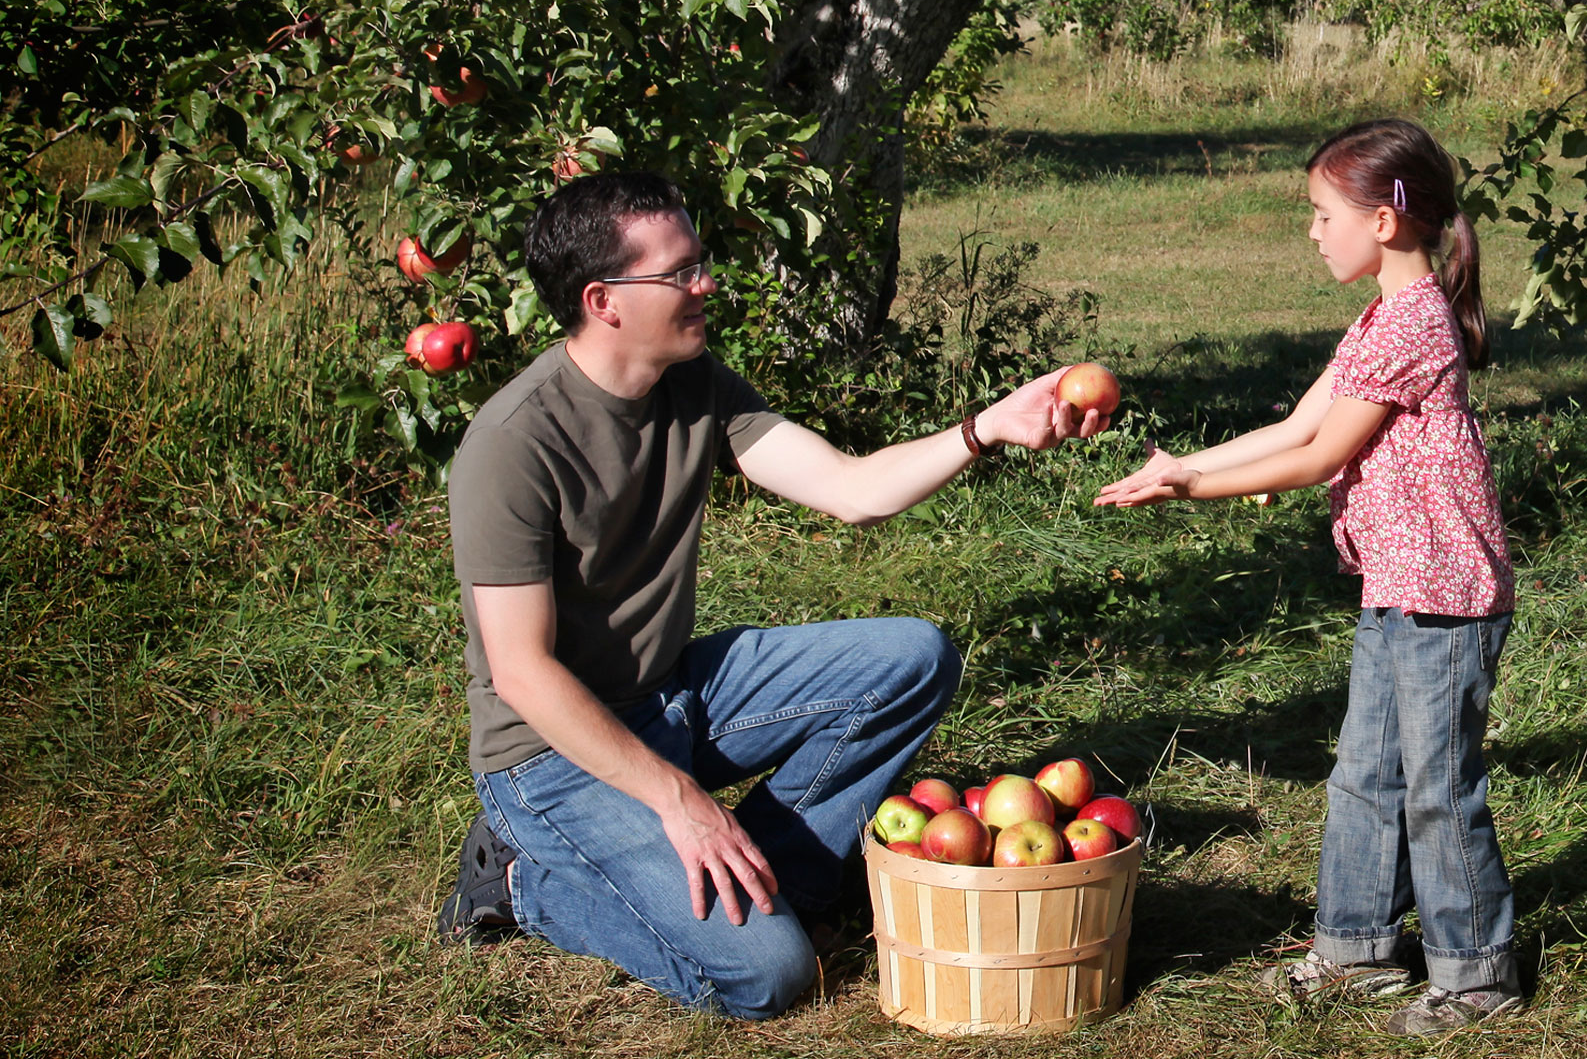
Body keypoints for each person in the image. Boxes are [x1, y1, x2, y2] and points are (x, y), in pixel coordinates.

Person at [434, 171, 1108, 1019]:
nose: (706, 283)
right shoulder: (512, 445)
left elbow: (852, 488)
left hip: (670, 696)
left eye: (700, 261)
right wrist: (682, 802)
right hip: (550, 757)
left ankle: (781, 877)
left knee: (909, 659)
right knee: (768, 976)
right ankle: (520, 882)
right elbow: (523, 674)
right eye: (680, 272)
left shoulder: (694, 385)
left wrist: (985, 428)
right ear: (604, 300)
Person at [1094, 119, 1520, 1036]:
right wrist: (1180, 464)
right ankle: (1357, 948)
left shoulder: (1415, 323)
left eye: (1325, 214)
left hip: (1445, 597)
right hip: (1398, 587)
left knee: (1438, 789)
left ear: (1387, 220)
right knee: (1366, 774)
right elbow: (1295, 425)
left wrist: (1194, 488)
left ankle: (1476, 972)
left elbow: (1315, 456)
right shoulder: (1380, 316)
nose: (1312, 232)